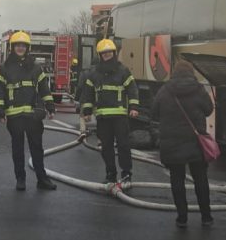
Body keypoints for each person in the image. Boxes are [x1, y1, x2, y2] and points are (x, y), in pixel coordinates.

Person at [0, 31, 57, 191]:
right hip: (15, 117)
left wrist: (50, 107)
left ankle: (42, 179)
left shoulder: (35, 68)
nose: (20, 48)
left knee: (37, 149)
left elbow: (44, 89)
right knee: (17, 149)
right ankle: (20, 179)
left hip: (33, 116)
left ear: (27, 48)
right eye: (17, 45)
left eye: (23, 46)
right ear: (13, 48)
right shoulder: (4, 68)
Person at [151, 60, 214, 228]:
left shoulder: (165, 90)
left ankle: (182, 218)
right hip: (196, 142)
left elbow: (154, 112)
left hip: (172, 142)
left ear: (174, 72)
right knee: (200, 179)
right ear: (191, 72)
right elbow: (209, 109)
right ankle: (206, 217)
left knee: (177, 180)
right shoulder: (199, 89)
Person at [80, 39, 140, 185]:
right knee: (106, 148)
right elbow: (88, 94)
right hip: (103, 117)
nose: (107, 55)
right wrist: (87, 111)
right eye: (104, 53)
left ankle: (126, 174)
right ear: (100, 55)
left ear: (113, 53)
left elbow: (132, 89)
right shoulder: (94, 74)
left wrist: (133, 107)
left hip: (120, 116)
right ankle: (111, 174)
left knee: (124, 146)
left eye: (109, 52)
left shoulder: (123, 71)